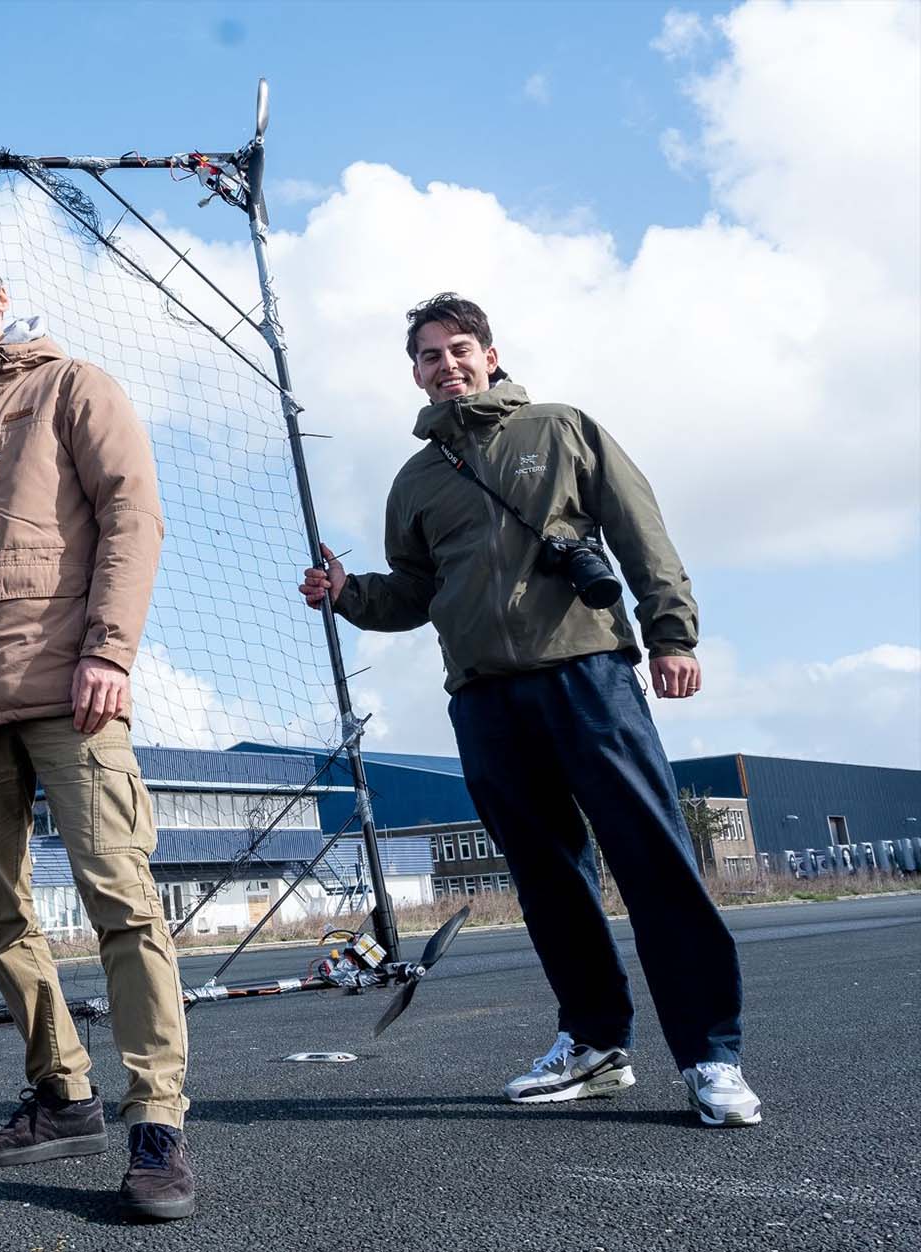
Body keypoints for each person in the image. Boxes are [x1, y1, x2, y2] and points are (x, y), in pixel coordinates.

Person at [299, 292, 759, 1127]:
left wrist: (672, 635)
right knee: (548, 880)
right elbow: (416, 592)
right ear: (414, 371)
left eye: (460, 348)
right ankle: (593, 1043)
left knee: (653, 859)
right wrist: (349, 594)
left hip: (586, 674)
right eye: (430, 355)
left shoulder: (560, 427)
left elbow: (639, 531)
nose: (447, 364)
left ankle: (711, 1057)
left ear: (491, 353)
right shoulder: (415, 481)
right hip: (481, 695)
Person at [0, 239, 194, 1222]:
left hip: (70, 690)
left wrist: (108, 650)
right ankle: (61, 1093)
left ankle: (157, 1128)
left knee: (120, 901)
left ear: (1, 297)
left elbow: (131, 514)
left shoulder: (73, 386)